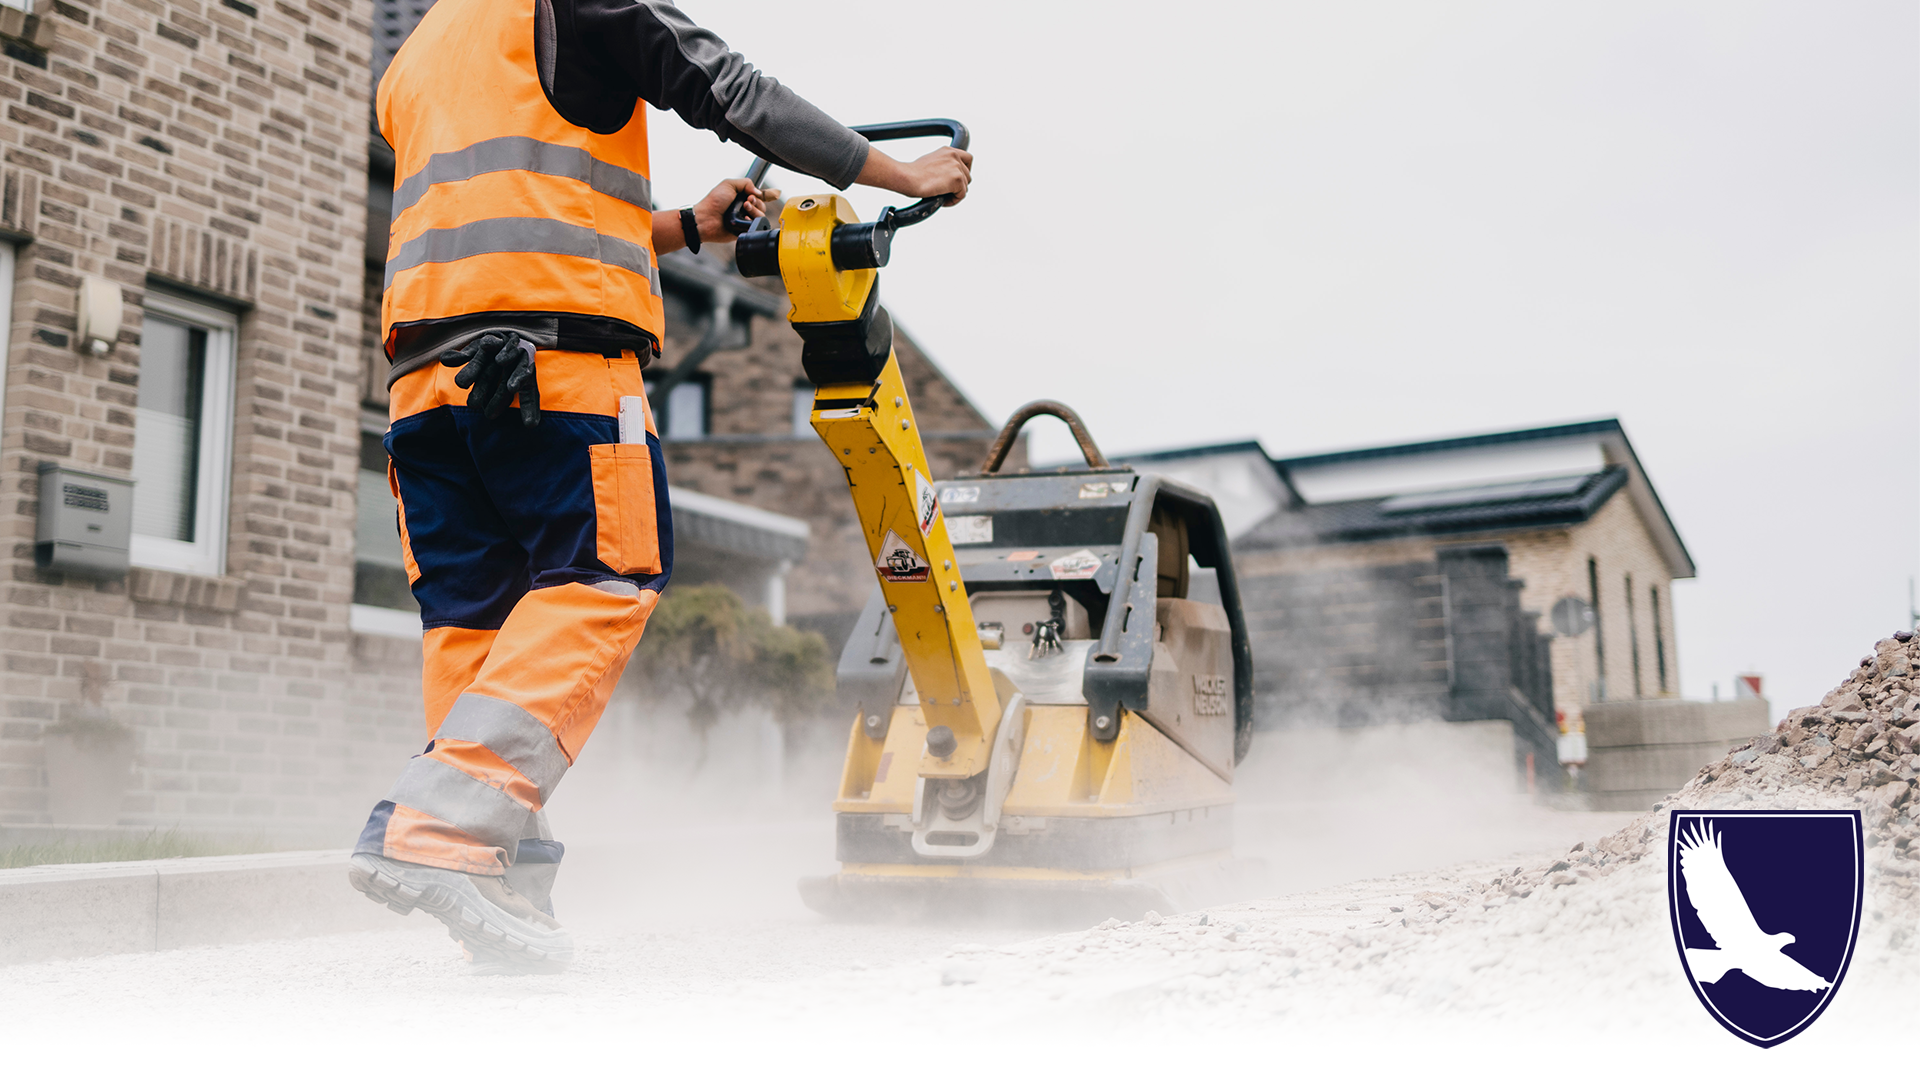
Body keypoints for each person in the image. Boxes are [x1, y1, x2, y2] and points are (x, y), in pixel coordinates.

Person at [346, 0, 972, 974]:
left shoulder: (420, 50)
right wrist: (901, 172)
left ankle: (493, 873)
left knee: (474, 624)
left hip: (427, 390)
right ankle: (439, 825)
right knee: (608, 572)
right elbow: (733, 89)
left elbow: (534, 209)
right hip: (554, 370)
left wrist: (687, 226)